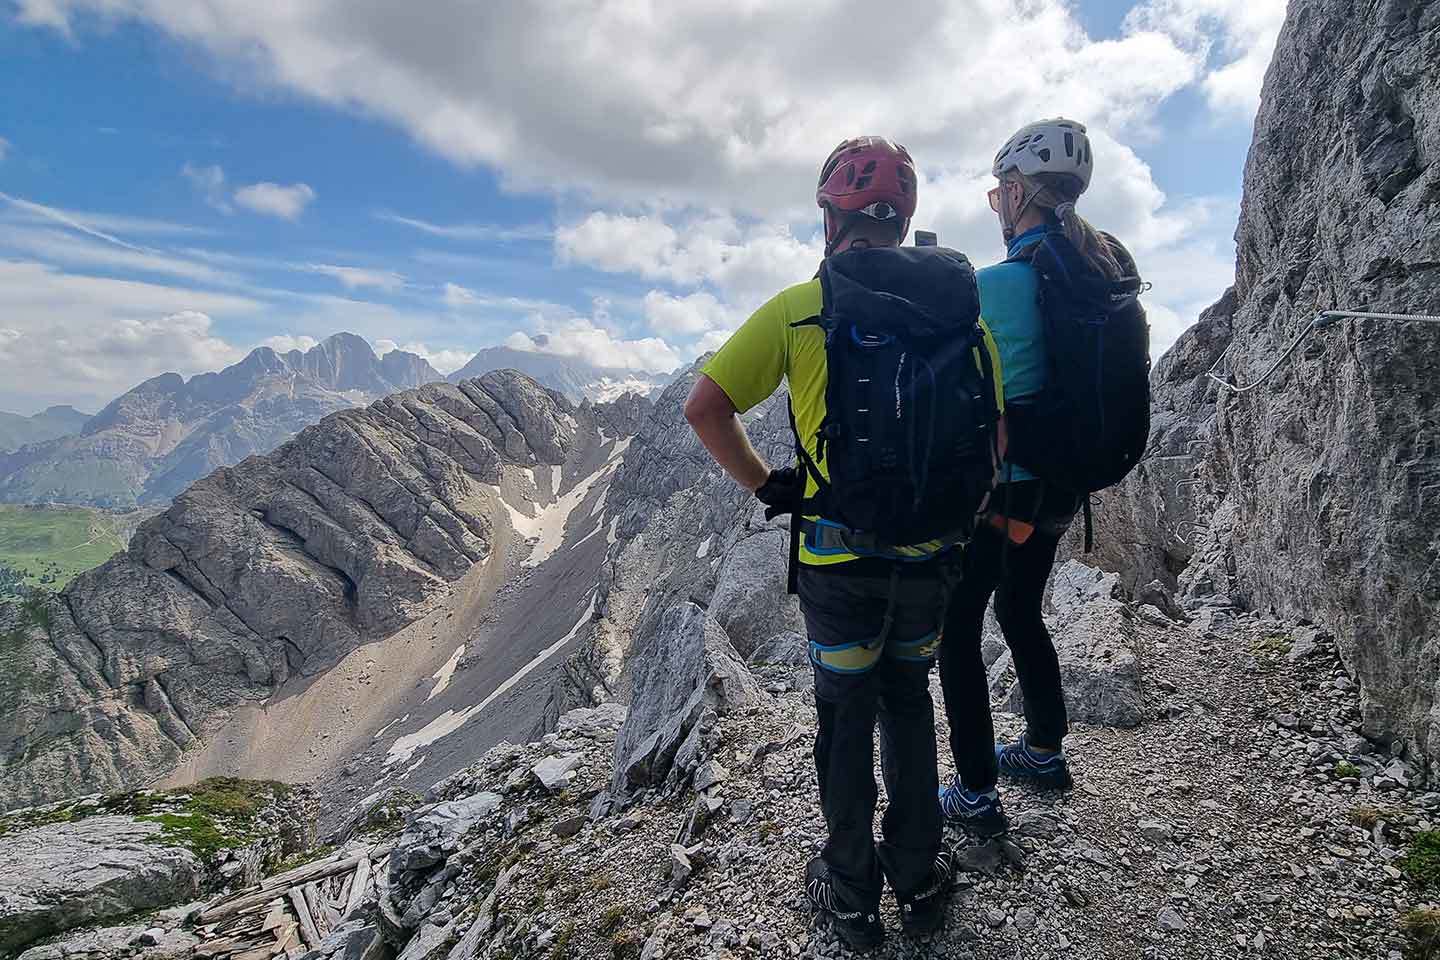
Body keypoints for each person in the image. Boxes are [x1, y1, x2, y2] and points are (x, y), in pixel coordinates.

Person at [685, 137, 1002, 950]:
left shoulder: (799, 307)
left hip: (837, 562)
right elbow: (993, 435)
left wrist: (768, 486)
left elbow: (705, 409)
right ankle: (921, 879)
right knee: (908, 703)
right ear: (904, 220)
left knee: (843, 716)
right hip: (931, 559)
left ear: (831, 217)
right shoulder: (962, 311)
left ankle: (853, 896)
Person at [937, 118, 1143, 836]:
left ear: (1018, 191)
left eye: (1000, 197)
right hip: (1065, 484)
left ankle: (975, 793)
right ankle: (1044, 752)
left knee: (957, 627)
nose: (999, 208)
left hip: (1003, 491)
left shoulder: (992, 286)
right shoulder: (1103, 274)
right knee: (1020, 609)